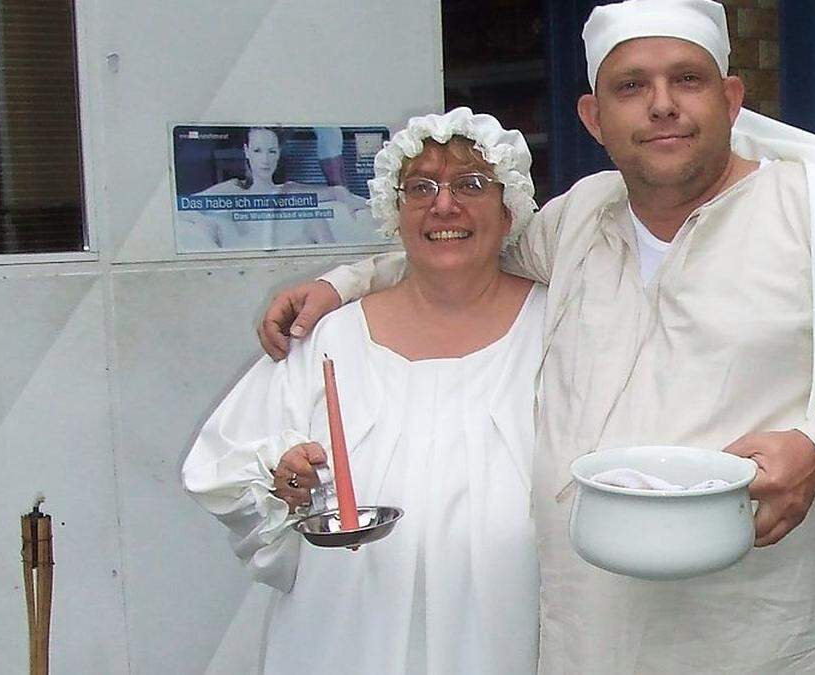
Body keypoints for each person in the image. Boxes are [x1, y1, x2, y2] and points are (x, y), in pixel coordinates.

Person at [256, 1, 815, 671]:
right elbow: (462, 251)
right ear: (593, 117)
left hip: (772, 636)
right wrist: (347, 284)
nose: (662, 106)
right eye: (631, 87)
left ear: (731, 99)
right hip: (592, 638)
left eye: (687, 79)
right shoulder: (579, 218)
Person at [182, 108, 544, 674]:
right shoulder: (330, 338)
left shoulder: (560, 330)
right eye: (420, 187)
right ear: (392, 211)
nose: (443, 205)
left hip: (518, 629)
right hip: (347, 633)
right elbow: (226, 469)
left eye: (472, 185)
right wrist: (284, 482)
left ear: (510, 208)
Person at [177, 126, 371, 250]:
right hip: (240, 265)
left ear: (278, 153)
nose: (265, 160)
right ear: (247, 151)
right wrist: (207, 224)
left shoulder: (289, 190)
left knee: (315, 218)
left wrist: (355, 202)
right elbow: (186, 206)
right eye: (257, 151)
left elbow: (336, 191)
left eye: (271, 151)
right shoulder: (232, 189)